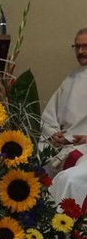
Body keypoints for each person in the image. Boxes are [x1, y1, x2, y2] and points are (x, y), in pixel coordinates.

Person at [43, 28, 87, 202]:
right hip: (65, 146)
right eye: (77, 47)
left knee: (70, 180)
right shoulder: (71, 79)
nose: (80, 51)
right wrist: (54, 134)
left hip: (84, 149)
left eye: (85, 46)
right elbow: (49, 116)